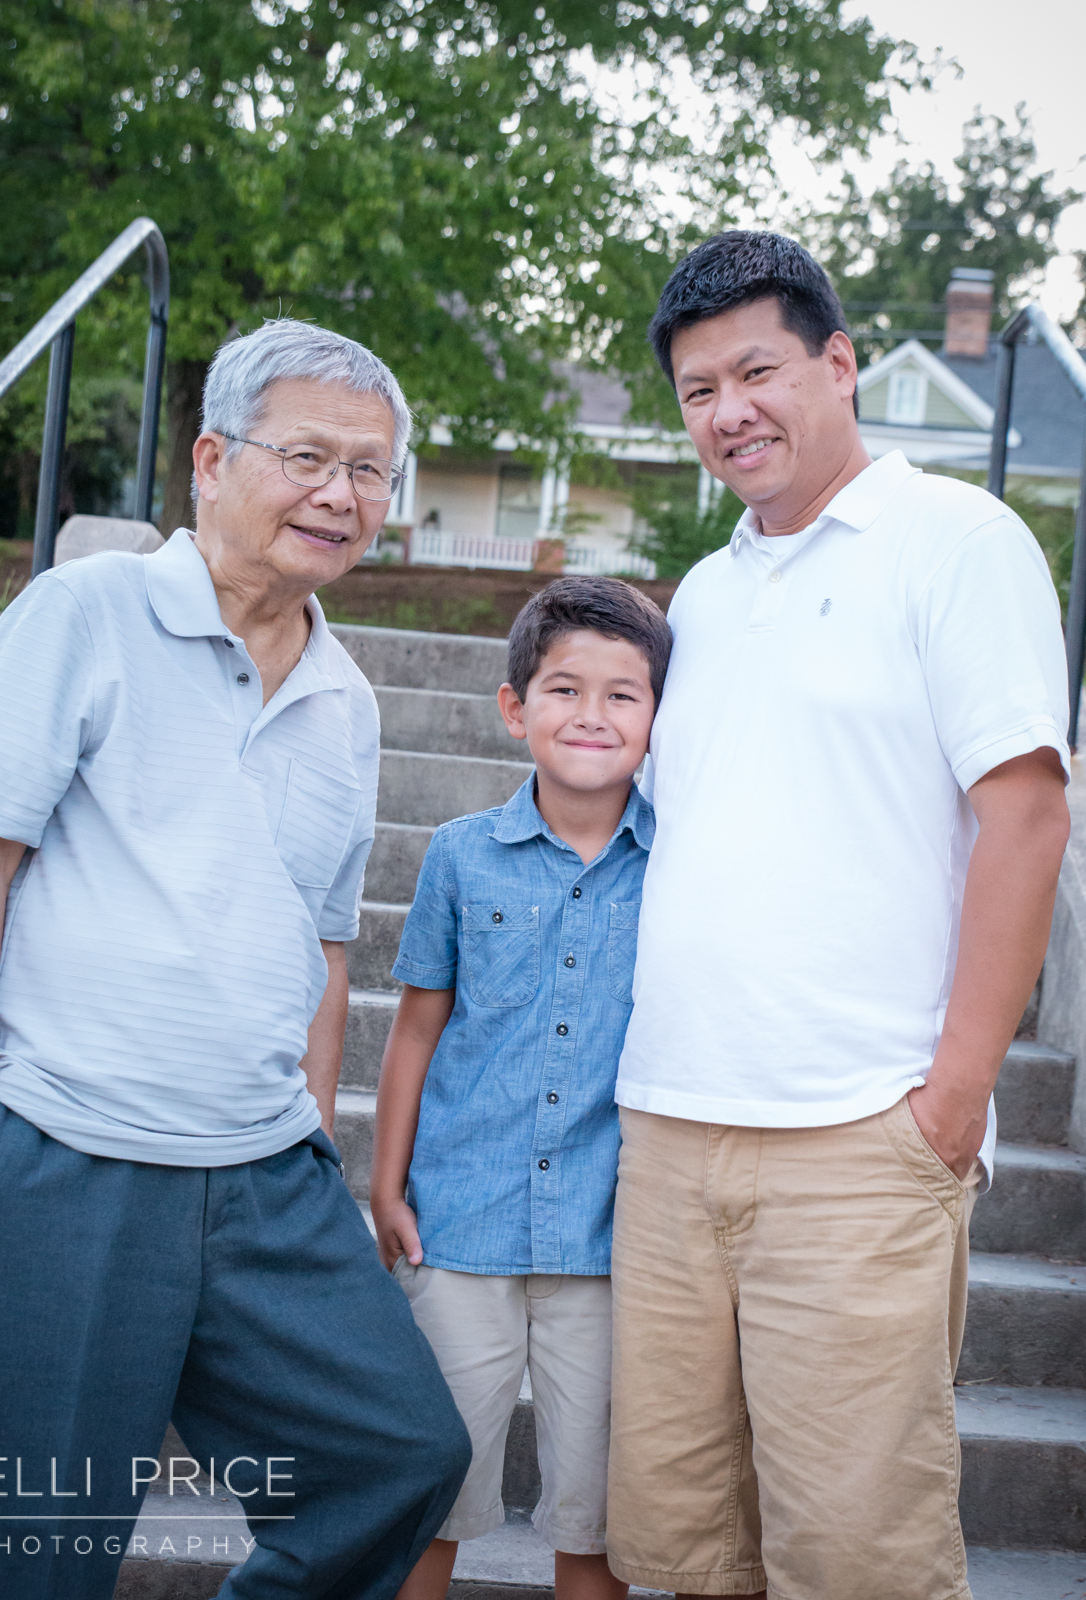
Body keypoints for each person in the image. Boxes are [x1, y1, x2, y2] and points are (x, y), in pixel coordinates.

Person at [0, 318, 470, 1600]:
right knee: (16, 1554)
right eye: (309, 455)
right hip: (60, 1154)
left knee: (392, 1456)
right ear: (211, 458)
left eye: (372, 470)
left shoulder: (348, 694)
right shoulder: (87, 609)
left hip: (263, 1180)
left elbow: (326, 941)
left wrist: (312, 1134)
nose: (342, 493)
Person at [605, 233, 1072, 1600]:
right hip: (674, 1133)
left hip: (859, 1142)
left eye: (756, 369)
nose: (729, 410)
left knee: (858, 1560)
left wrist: (953, 1098)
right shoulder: (702, 591)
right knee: (689, 1548)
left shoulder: (957, 541)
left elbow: (1027, 816)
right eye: (698, 390)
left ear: (841, 363)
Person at [370, 578, 672, 1600]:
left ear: (657, 718)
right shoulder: (460, 856)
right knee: (432, 1489)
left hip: (605, 1239)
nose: (591, 715)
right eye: (563, 688)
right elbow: (415, 1030)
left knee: (596, 1515)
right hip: (461, 1221)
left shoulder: (675, 867)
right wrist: (386, 1183)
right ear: (514, 706)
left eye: (622, 695)